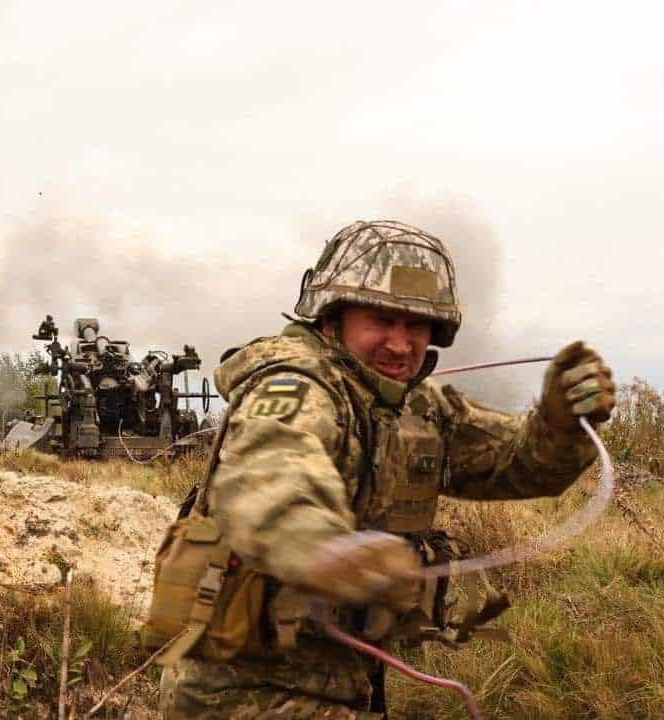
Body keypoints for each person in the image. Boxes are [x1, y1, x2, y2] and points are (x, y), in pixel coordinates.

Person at [155, 220, 615, 719]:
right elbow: (272, 477)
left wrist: (561, 423)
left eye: (415, 325)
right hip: (240, 691)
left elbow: (520, 465)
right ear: (332, 318)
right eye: (381, 319)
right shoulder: (295, 387)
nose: (400, 344)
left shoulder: (417, 407)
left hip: (346, 677)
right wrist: (328, 551)